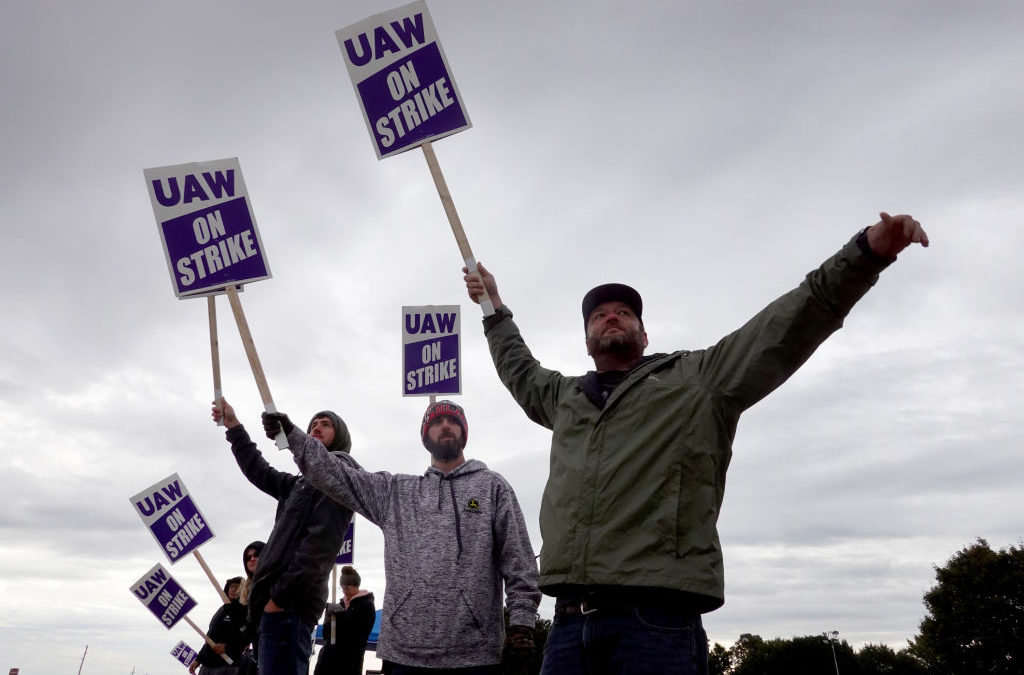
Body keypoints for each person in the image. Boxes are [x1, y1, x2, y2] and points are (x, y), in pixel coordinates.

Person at [463, 213, 929, 674]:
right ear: (587, 341)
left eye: (624, 313)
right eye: (600, 315)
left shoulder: (698, 381)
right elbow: (519, 369)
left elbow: (786, 323)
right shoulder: (565, 399)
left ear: (644, 336)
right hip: (566, 627)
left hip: (654, 623)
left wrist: (865, 255)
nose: (611, 317)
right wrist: (493, 308)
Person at [262, 399, 542, 674]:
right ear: (424, 435)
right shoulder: (396, 492)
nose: (446, 425)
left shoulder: (493, 488)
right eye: (437, 421)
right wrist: (294, 437)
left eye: (453, 421)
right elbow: (337, 474)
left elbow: (519, 562)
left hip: (477, 656)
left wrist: (521, 625)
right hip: (405, 658)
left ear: (464, 433)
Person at [212, 398, 356, 675]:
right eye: (313, 424)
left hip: (289, 608)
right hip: (273, 610)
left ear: (341, 437)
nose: (316, 428)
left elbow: (320, 545)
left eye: (326, 425)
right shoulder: (299, 485)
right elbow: (259, 471)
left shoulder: (341, 472)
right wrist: (233, 425)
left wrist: (280, 598)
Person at [313, 565, 376, 675]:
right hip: (328, 660)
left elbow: (356, 634)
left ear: (356, 585)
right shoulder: (340, 605)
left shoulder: (366, 606)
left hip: (349, 662)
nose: (344, 591)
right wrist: (329, 618)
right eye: (342, 588)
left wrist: (341, 615)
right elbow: (329, 636)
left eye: (347, 588)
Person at [191, 577, 247, 675]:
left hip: (226, 667)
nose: (233, 589)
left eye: (237, 587)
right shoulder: (221, 611)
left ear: (243, 591)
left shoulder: (244, 611)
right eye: (231, 586)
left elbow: (247, 637)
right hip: (206, 665)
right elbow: (210, 637)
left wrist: (227, 648)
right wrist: (198, 659)